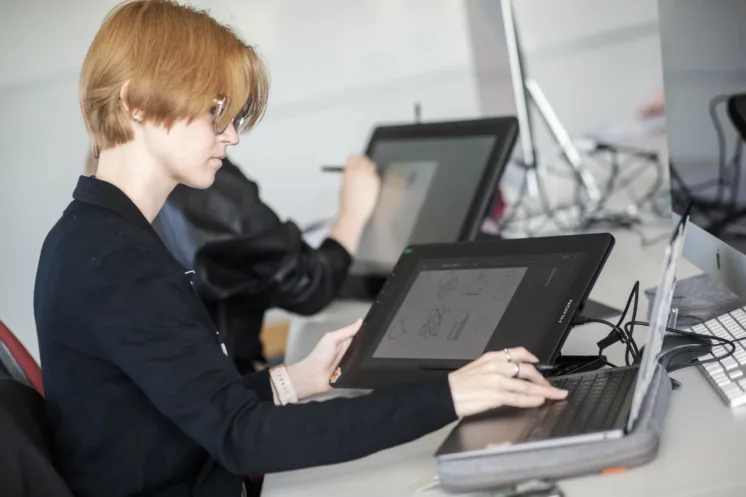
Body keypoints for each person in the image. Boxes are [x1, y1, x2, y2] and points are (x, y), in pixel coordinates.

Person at [33, 2, 568, 497]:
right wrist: (452, 395)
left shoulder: (97, 237)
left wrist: (301, 378)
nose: (231, 136)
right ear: (135, 105)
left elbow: (189, 403)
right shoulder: (115, 265)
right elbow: (243, 436)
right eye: (214, 112)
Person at [150, 153, 379, 373]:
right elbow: (306, 283)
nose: (231, 135)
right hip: (218, 385)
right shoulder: (195, 178)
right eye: (212, 115)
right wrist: (352, 214)